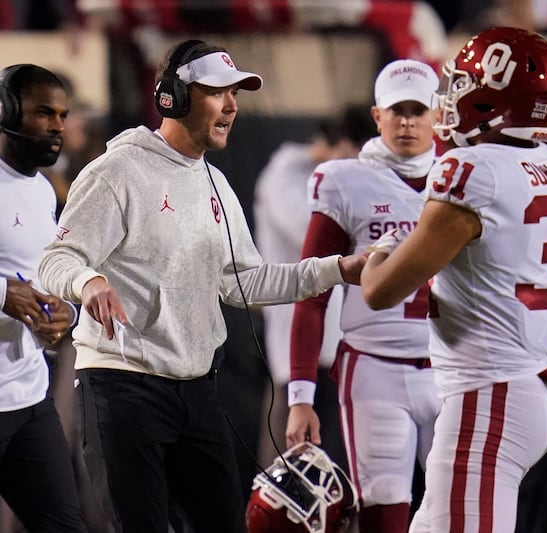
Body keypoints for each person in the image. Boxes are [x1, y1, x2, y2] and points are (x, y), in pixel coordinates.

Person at [37, 39, 365, 533]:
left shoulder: (215, 183)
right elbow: (56, 259)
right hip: (124, 387)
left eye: (236, 93)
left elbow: (243, 282)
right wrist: (89, 281)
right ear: (174, 98)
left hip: (196, 391)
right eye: (218, 93)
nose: (232, 105)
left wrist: (338, 269)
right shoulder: (118, 171)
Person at [361, 27, 547, 532]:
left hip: (489, 400)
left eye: (464, 83)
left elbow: (381, 291)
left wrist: (379, 255)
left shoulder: (472, 170)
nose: (454, 95)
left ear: (493, 98)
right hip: (531, 392)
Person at [285, 58, 441, 532]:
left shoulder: (464, 177)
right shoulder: (345, 181)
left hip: (452, 370)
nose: (408, 121)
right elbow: (310, 290)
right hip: (375, 369)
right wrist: (300, 395)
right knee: (384, 513)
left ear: (438, 114)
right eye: (398, 110)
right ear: (377, 116)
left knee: (461, 512)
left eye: (418, 109)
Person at [252, 104, 373, 469]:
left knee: (335, 462)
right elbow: (314, 234)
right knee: (287, 466)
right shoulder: (283, 176)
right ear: (340, 147)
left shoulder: (322, 177)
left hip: (336, 343)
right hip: (293, 340)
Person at [0, 63, 86, 532]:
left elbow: (42, 279)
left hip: (27, 395)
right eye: (43, 113)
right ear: (5, 112)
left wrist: (63, 313)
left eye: (62, 114)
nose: (58, 126)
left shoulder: (41, 191)